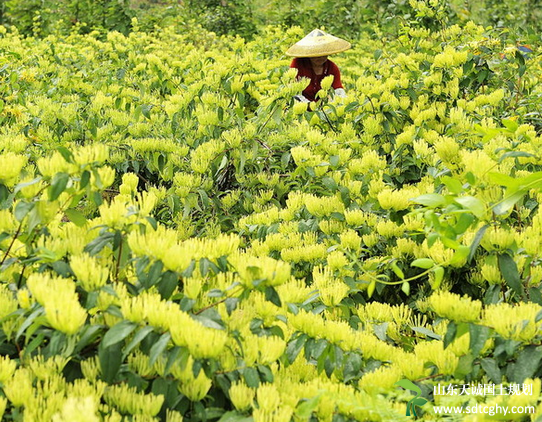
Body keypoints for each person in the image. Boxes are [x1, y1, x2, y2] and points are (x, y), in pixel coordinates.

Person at [285, 29, 351, 104]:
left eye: (323, 54)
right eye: (316, 54)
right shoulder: (298, 63)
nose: (320, 57)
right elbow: (292, 90)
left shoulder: (332, 67)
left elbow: (338, 90)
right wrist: (310, 106)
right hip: (301, 106)